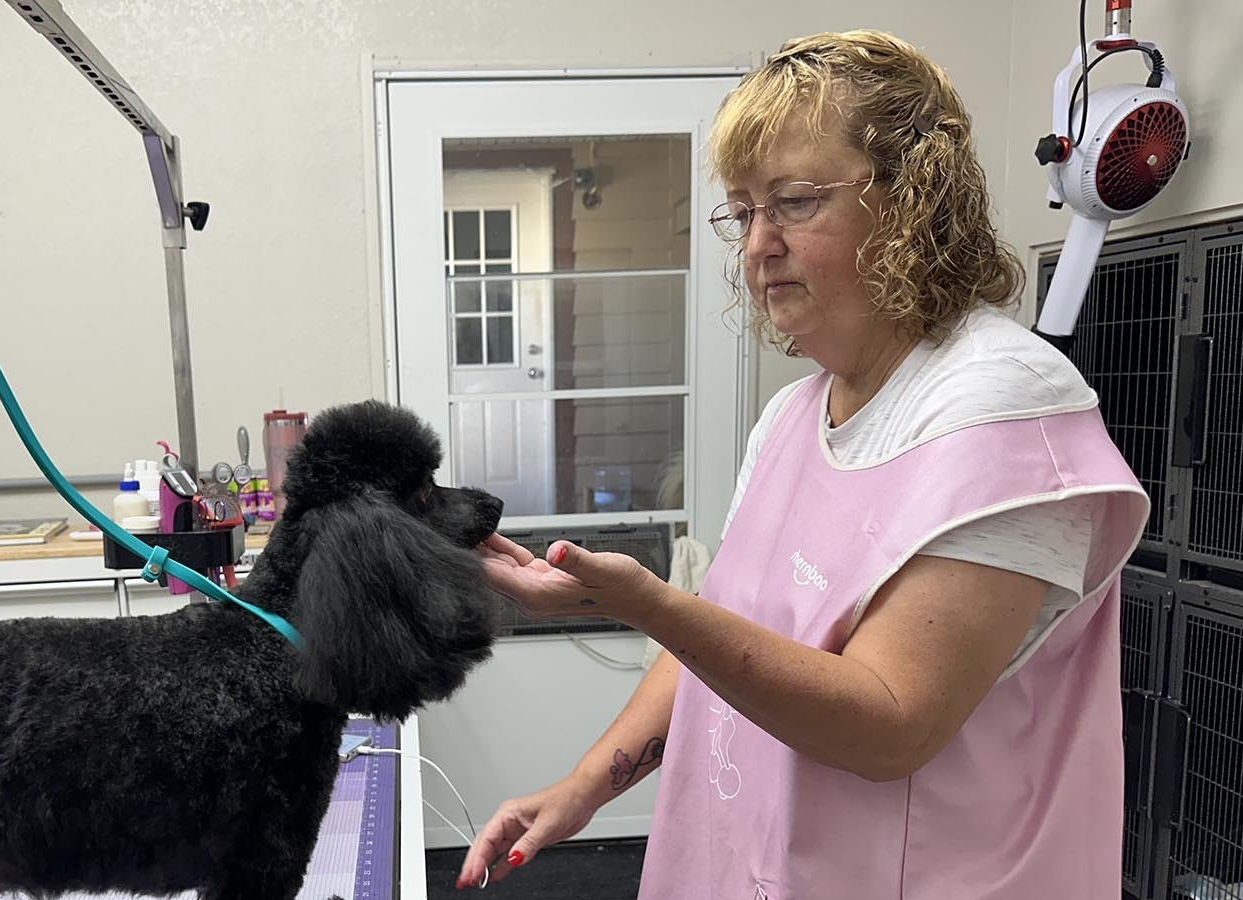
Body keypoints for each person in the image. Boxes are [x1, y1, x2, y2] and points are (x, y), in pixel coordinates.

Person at [458, 30, 1149, 899]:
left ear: (913, 200)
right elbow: (723, 629)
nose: (756, 245)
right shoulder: (793, 416)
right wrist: (584, 787)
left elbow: (889, 727)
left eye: (790, 201)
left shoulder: (1001, 402)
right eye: (743, 211)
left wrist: (646, 605)